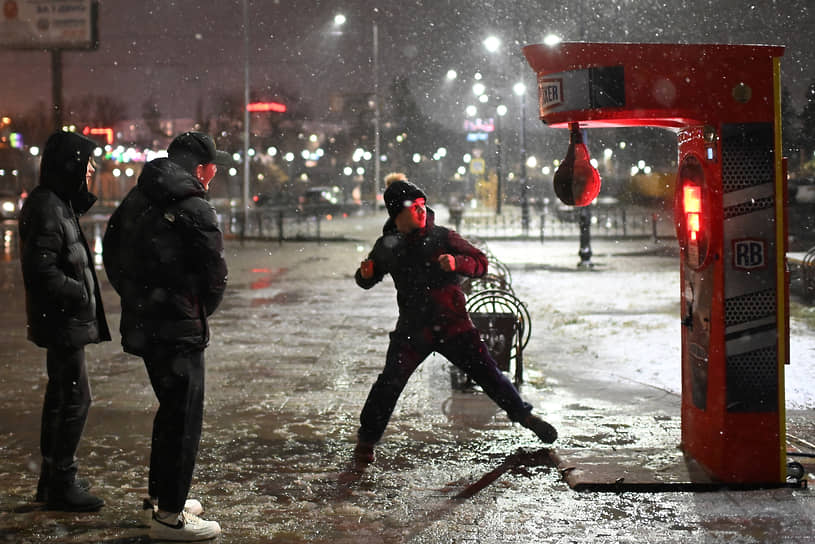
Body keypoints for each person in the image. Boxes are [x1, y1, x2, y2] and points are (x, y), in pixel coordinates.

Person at [351, 177, 557, 466]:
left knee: (488, 373)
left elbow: (481, 262)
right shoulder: (388, 246)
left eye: (423, 205)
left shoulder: (444, 237)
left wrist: (458, 263)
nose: (421, 210)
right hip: (413, 330)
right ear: (398, 214)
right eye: (414, 207)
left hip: (453, 326)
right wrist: (366, 274)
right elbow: (365, 280)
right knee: (389, 383)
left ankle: (525, 416)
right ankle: (366, 441)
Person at [103, 131, 228, 541]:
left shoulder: (136, 199)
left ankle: (162, 497)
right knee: (183, 416)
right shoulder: (195, 208)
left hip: (145, 324)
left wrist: (141, 299)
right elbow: (214, 277)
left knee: (170, 409)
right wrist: (190, 308)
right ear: (199, 168)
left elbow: (111, 252)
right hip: (178, 330)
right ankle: (170, 516)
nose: (214, 176)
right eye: (213, 168)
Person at [18, 130, 110, 511]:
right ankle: (61, 481)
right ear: (68, 164)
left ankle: (54, 479)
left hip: (63, 320)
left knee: (64, 397)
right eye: (86, 163)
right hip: (61, 321)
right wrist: (79, 292)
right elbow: (41, 270)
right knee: (73, 398)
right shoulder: (47, 207)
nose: (91, 170)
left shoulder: (57, 203)